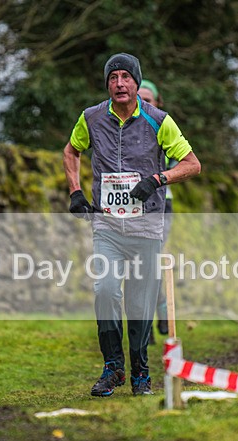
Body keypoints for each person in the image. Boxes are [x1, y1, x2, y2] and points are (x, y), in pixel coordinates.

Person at [63, 53, 201, 396]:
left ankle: (141, 373)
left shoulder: (158, 120)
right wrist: (76, 192)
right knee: (106, 291)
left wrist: (158, 179)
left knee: (140, 304)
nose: (119, 83)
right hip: (108, 228)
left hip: (147, 228)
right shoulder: (91, 118)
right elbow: (71, 151)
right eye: (113, 77)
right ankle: (112, 369)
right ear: (107, 83)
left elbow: (192, 164)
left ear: (137, 83)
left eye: (126, 77)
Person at [138, 79, 173, 343]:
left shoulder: (162, 124)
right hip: (126, 205)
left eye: (148, 100)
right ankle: (144, 319)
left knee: (150, 258)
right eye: (139, 98)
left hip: (160, 204)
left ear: (157, 103)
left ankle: (157, 310)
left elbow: (175, 161)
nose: (142, 103)